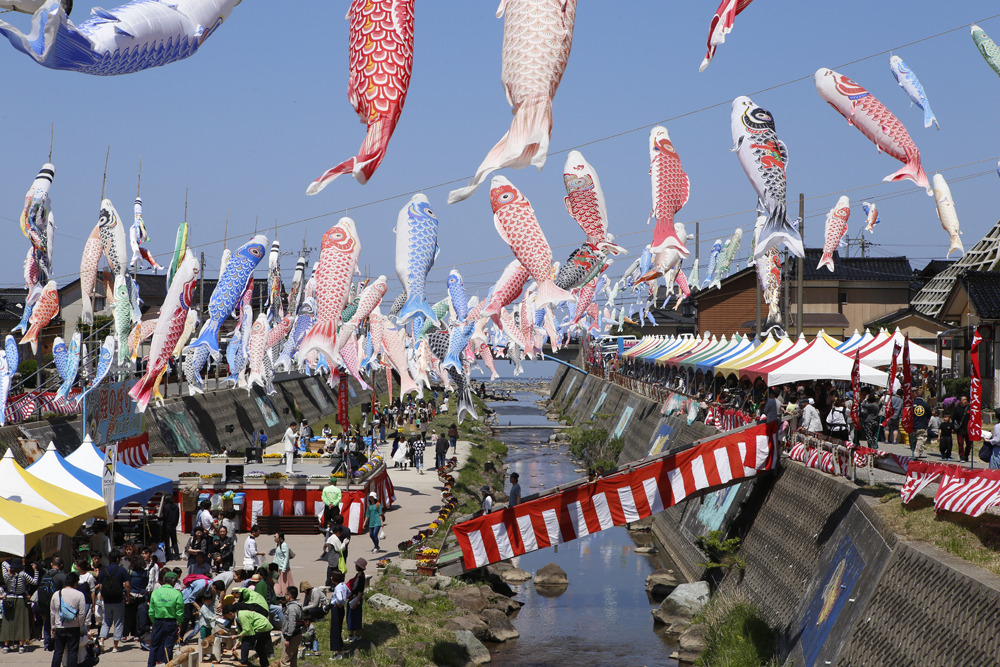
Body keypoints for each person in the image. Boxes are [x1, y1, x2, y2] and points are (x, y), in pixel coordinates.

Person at [147, 570, 184, 667]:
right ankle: (167, 664)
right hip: (171, 622)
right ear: (173, 581)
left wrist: (154, 622)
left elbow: (151, 610)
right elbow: (179, 612)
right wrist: (179, 623)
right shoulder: (177, 594)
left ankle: (151, 665)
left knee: (154, 646)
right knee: (168, 647)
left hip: (158, 621)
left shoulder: (155, 593)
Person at [2, 558, 38, 653]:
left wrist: (10, 569)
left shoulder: (7, 576)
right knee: (21, 622)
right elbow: (34, 581)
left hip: (9, 599)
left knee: (8, 622)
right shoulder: (23, 574)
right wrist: (35, 571)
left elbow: (3, 563)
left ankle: (6, 645)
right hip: (21, 600)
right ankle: (21, 645)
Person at [50, 571, 86, 667]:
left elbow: (52, 613)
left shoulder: (56, 594)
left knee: (58, 652)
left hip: (59, 627)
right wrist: (80, 626)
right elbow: (82, 613)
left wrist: (53, 626)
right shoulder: (80, 595)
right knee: (72, 652)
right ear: (75, 583)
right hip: (74, 628)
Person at [222, 601, 274, 667]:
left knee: (246, 641)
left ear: (230, 613)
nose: (228, 619)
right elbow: (241, 632)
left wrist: (237, 636)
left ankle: (243, 661)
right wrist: (236, 645)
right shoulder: (238, 616)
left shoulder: (241, 615)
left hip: (261, 627)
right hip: (266, 626)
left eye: (227, 616)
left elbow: (247, 630)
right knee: (259, 647)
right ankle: (265, 665)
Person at [98, 550, 129, 653]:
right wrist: (128, 597)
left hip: (107, 600)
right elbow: (127, 584)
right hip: (118, 599)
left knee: (106, 621)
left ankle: (102, 640)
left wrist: (103, 596)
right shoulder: (121, 570)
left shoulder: (103, 570)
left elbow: (101, 585)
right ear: (117, 559)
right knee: (118, 622)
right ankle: (115, 646)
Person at [37, 556, 66, 651]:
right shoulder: (62, 576)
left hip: (45, 602)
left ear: (51, 564)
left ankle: (47, 642)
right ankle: (56, 642)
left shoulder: (45, 575)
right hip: (57, 603)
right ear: (61, 565)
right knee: (57, 622)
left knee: (47, 622)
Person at [279, 585, 303, 667]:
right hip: (296, 634)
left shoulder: (292, 608)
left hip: (292, 636)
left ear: (289, 596)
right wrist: (283, 605)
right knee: (292, 660)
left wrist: (288, 638)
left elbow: (292, 623)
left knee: (284, 661)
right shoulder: (294, 606)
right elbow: (286, 615)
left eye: (285, 594)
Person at [345, 559, 367, 644]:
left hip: (356, 599)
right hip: (352, 599)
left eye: (356, 565)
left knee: (356, 617)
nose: (355, 566)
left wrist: (356, 600)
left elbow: (360, 591)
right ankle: (351, 634)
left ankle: (357, 635)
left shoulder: (361, 577)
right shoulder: (357, 575)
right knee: (350, 617)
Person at [328, 570, 349, 659]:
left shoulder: (337, 588)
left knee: (335, 630)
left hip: (336, 609)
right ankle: (341, 649)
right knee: (338, 629)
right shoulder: (343, 585)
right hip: (341, 609)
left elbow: (339, 598)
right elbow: (349, 592)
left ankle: (339, 652)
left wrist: (339, 603)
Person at [911, 393, 932, 459]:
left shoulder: (911, 404)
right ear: (923, 396)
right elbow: (929, 416)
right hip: (922, 424)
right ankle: (917, 452)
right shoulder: (926, 405)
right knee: (920, 438)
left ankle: (914, 451)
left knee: (913, 439)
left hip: (912, 424)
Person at [161, 496, 181, 562]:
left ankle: (168, 555)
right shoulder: (176, 507)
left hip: (167, 525)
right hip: (173, 525)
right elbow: (177, 516)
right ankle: (177, 554)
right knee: (174, 541)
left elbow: (165, 517)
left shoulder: (166, 507)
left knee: (167, 541)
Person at [953, 395, 971, 462]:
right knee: (960, 443)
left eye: (966, 399)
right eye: (963, 399)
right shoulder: (957, 409)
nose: (965, 401)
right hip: (960, 429)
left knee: (969, 444)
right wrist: (954, 428)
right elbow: (954, 419)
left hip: (968, 429)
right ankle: (961, 456)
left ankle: (966, 455)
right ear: (960, 401)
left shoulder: (969, 408)